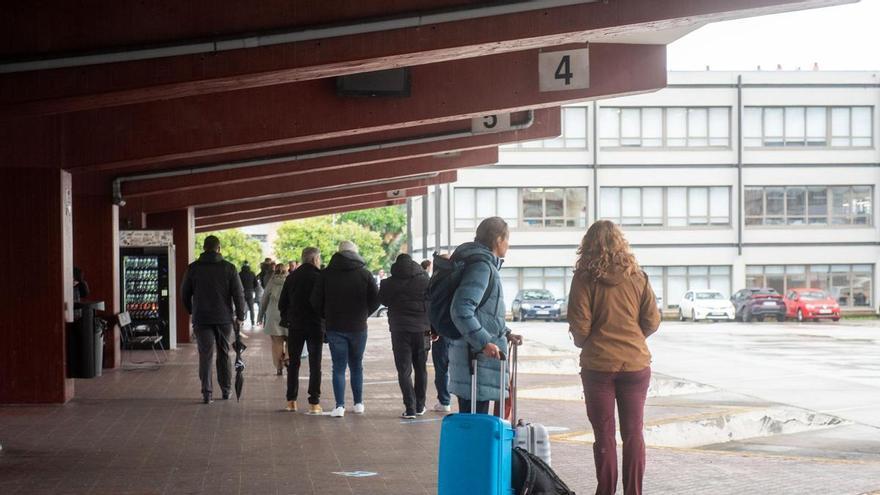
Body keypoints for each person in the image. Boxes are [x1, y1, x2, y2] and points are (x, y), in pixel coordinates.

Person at [567, 220, 661, 495]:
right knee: (634, 435)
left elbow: (580, 325)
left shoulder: (584, 278)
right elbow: (652, 321)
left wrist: (590, 342)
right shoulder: (638, 276)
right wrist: (632, 339)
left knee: (604, 436)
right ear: (621, 243)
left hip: (598, 367)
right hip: (635, 365)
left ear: (588, 245)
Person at [448, 217, 521, 414]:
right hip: (475, 362)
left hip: (474, 359)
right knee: (475, 425)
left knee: (475, 424)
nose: (508, 244)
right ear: (498, 239)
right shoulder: (481, 266)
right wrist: (484, 342)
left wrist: (505, 333)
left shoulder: (479, 263)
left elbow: (485, 313)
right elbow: (461, 309)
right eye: (507, 238)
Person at [310, 241, 379, 418]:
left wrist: (326, 315)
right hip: (358, 327)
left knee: (338, 367)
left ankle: (339, 406)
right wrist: (364, 313)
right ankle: (358, 403)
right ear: (355, 253)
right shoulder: (365, 274)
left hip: (335, 327)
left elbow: (315, 301)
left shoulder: (326, 274)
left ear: (338, 253)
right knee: (357, 366)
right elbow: (376, 299)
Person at [180, 235, 246, 404]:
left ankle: (207, 393)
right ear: (219, 248)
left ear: (204, 248)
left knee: (205, 354)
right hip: (224, 318)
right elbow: (238, 294)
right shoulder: (229, 268)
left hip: (202, 318)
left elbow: (184, 293)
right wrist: (240, 316)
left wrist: (191, 310)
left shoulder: (193, 268)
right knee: (224, 353)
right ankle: (226, 390)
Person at [379, 253, 431, 419]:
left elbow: (383, 301)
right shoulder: (425, 280)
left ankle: (410, 408)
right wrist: (434, 329)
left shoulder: (388, 283)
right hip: (422, 330)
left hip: (399, 330)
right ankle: (420, 405)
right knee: (421, 368)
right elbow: (432, 304)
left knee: (404, 370)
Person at [279, 247, 324, 414]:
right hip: (315, 325)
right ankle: (314, 402)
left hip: (295, 325)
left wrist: (289, 316)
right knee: (315, 364)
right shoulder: (320, 277)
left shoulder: (292, 277)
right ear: (315, 259)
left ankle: (291, 401)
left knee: (294, 363)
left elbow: (281, 304)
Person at [259, 263, 289, 375]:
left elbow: (264, 300)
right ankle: (287, 357)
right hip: (287, 314)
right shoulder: (290, 281)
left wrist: (260, 316)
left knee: (277, 342)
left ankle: (279, 367)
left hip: (273, 315)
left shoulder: (271, 283)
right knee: (290, 339)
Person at [238, 262, 259, 327]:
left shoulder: (240, 274)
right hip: (250, 292)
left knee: (242, 307)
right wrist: (252, 288)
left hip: (242, 292)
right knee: (251, 308)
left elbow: (237, 284)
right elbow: (256, 284)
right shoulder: (252, 274)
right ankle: (253, 322)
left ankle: (242, 321)